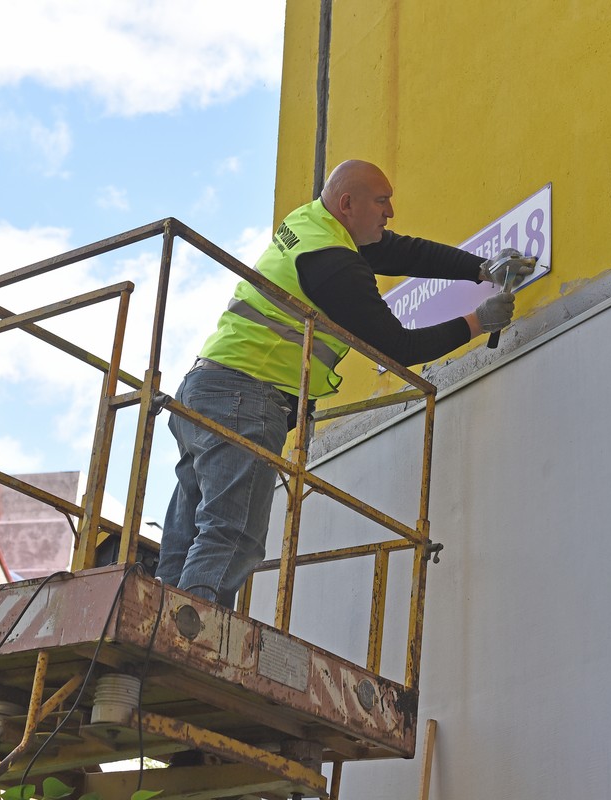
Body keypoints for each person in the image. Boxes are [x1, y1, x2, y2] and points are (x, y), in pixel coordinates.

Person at [157, 159, 531, 607]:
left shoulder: (315, 225)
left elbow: (403, 252)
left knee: (192, 530)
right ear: (348, 203)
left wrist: (482, 268)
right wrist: (476, 321)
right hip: (246, 396)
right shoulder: (333, 263)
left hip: (204, 391)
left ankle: (158, 618)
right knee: (232, 534)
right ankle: (187, 633)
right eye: (382, 201)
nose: (390, 211)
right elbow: (397, 346)